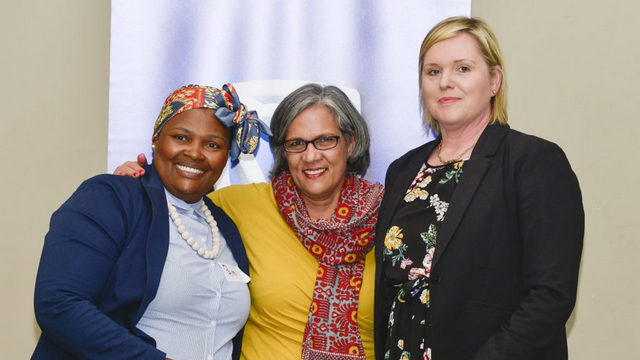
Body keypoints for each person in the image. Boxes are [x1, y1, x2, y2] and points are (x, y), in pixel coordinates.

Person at [116, 83, 384, 359]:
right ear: (283, 151)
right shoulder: (238, 206)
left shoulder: (389, 217)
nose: (311, 155)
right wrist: (139, 183)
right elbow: (174, 200)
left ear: (350, 143)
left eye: (325, 140)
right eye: (296, 144)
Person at [373, 16, 584, 360]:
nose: (446, 83)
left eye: (463, 69)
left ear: (494, 81)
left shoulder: (533, 162)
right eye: (433, 71)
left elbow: (550, 295)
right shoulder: (403, 171)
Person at [33, 84, 270, 360]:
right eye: (181, 137)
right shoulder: (111, 198)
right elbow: (59, 303)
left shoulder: (225, 224)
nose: (195, 153)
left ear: (226, 156)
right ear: (156, 140)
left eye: (212, 144)